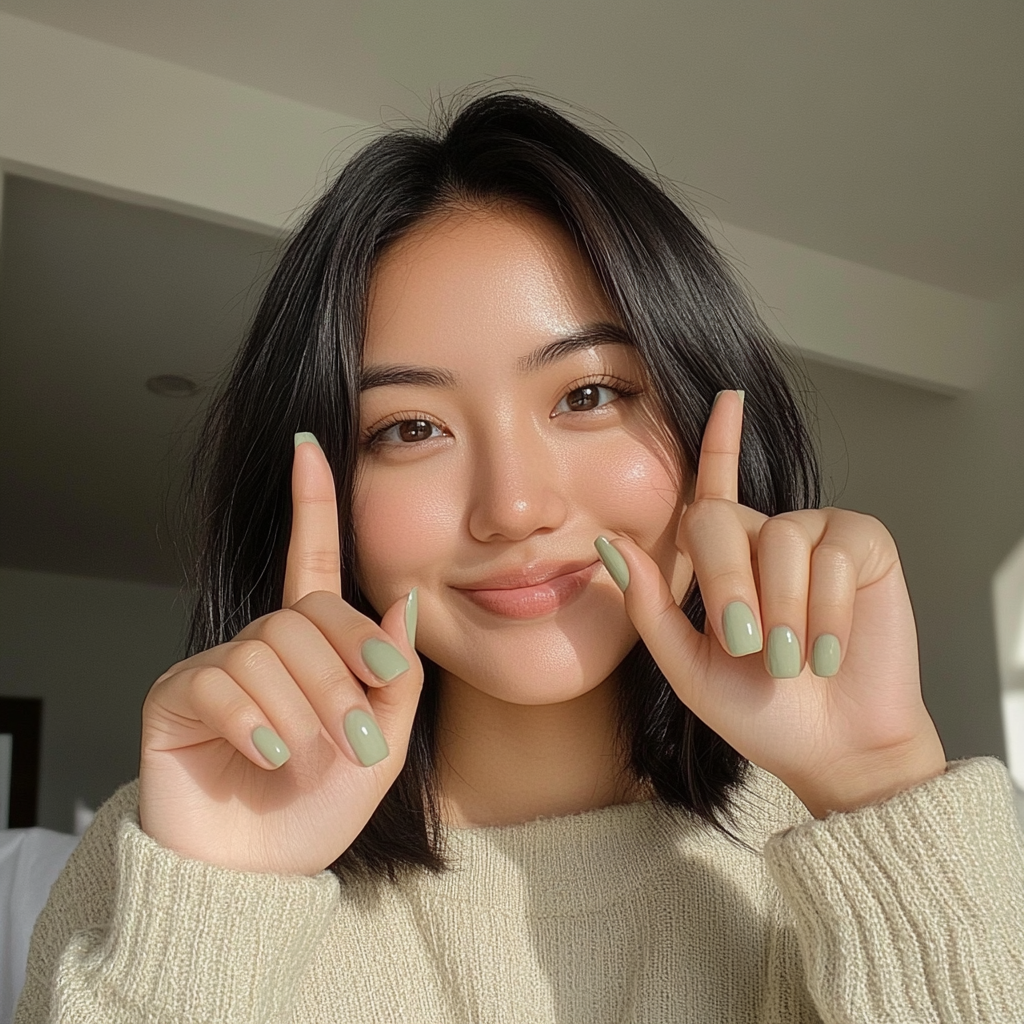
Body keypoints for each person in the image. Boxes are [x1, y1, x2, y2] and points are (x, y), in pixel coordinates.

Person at [16, 88, 1024, 1023]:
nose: (513, 505)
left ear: (706, 409)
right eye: (408, 428)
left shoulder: (887, 843)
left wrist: (878, 787)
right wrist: (211, 922)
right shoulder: (172, 856)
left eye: (588, 395)